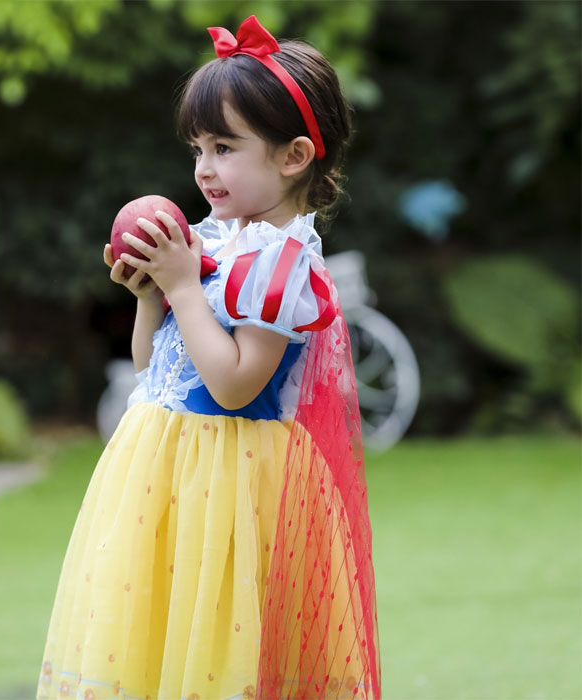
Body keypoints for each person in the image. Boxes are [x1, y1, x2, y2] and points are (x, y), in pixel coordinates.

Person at [36, 15, 380, 700]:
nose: (203, 167)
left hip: (236, 482)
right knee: (153, 639)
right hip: (161, 470)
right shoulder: (210, 241)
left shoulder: (281, 266)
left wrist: (185, 286)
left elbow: (231, 385)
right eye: (197, 147)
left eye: (225, 147)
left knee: (219, 645)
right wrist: (151, 297)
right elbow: (148, 369)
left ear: (293, 157)